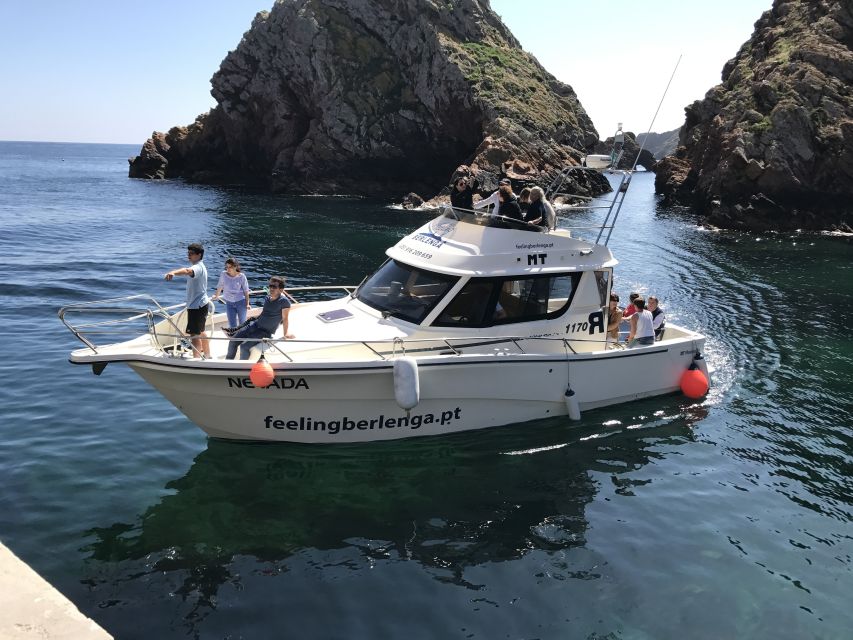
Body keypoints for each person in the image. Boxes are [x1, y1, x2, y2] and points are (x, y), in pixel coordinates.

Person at [225, 276, 294, 360]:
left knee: (244, 347)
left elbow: (285, 318)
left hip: (265, 332)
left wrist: (285, 334)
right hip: (255, 325)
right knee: (233, 341)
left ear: (281, 289)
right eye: (270, 286)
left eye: (274, 287)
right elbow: (265, 313)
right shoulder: (268, 298)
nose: (271, 289)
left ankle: (242, 367)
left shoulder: (284, 301)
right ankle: (228, 362)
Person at [164, 242, 211, 359]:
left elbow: (187, 271)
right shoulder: (201, 266)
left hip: (196, 306)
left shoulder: (198, 267)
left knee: (194, 334)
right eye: (188, 253)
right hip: (201, 304)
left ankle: (196, 359)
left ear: (199, 255)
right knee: (201, 331)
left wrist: (173, 272)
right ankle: (208, 355)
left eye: (192, 253)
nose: (189, 255)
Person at [212, 258, 251, 329]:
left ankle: (243, 338)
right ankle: (235, 339)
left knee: (243, 324)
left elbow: (246, 290)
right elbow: (220, 285)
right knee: (232, 325)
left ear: (235, 267)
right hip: (229, 303)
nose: (228, 269)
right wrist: (216, 295)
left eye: (230, 267)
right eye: (227, 267)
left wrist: (247, 303)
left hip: (241, 302)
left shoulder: (242, 276)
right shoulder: (223, 274)